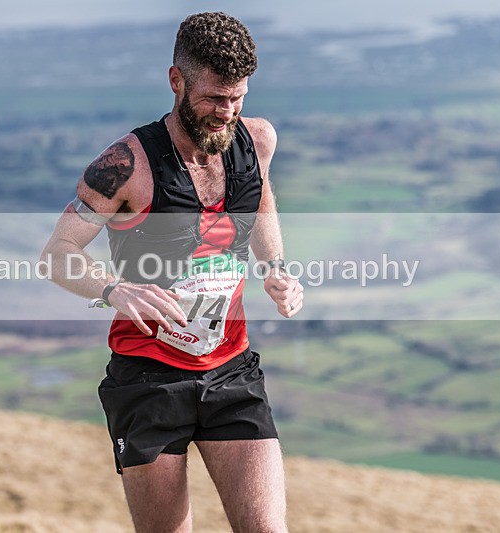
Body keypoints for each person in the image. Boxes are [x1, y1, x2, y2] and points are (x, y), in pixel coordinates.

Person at [42, 12, 302, 532]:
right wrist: (114, 289)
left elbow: (260, 201)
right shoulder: (125, 165)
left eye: (237, 98)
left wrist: (275, 266)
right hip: (148, 379)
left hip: (231, 370)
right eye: (213, 98)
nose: (226, 113)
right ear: (176, 81)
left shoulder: (257, 140)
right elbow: (57, 254)